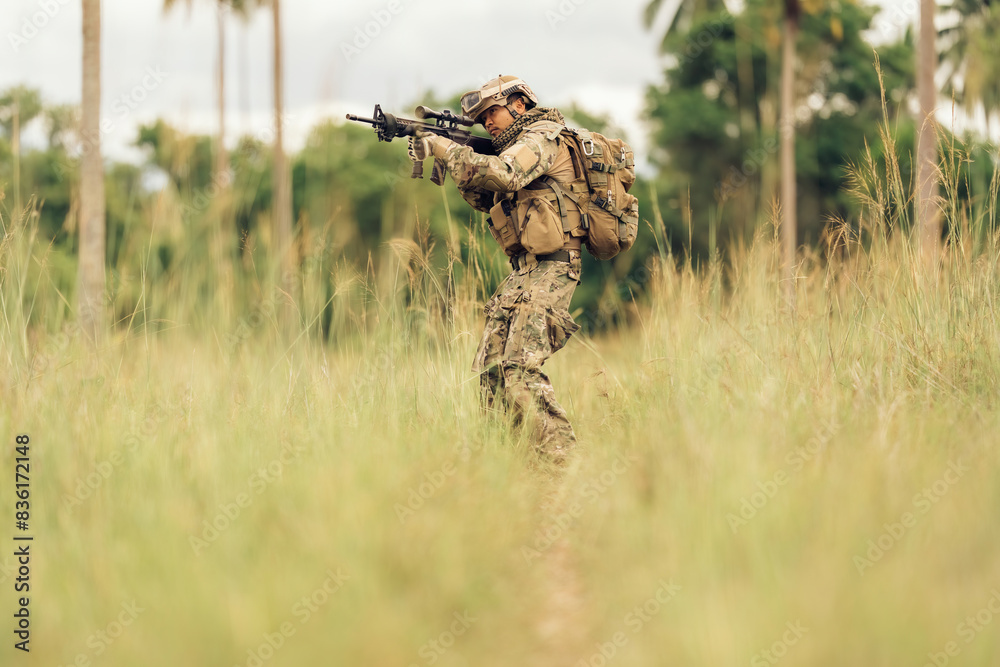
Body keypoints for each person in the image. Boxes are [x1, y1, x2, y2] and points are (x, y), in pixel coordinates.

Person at [409, 75, 587, 461]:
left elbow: (505, 174)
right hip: (523, 271)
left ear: (519, 104)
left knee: (520, 370)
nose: (487, 122)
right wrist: (451, 153)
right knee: (490, 371)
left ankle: (564, 464)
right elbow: (488, 195)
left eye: (492, 111)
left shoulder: (543, 136)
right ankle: (509, 465)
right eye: (482, 117)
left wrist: (442, 146)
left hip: (553, 267)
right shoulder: (510, 147)